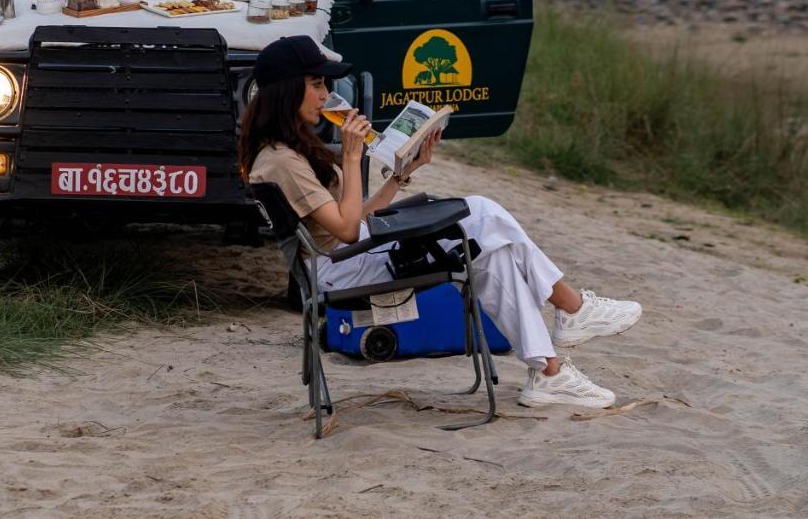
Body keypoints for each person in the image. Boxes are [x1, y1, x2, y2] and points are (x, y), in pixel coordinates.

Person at [240, 35, 643, 408]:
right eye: (316, 85)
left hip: (351, 254)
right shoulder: (281, 161)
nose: (327, 95)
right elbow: (345, 230)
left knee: (489, 253)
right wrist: (351, 155)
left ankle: (549, 372)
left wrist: (400, 175)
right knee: (480, 212)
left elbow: (348, 220)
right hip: (341, 270)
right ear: (286, 89)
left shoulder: (287, 150)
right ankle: (572, 309)